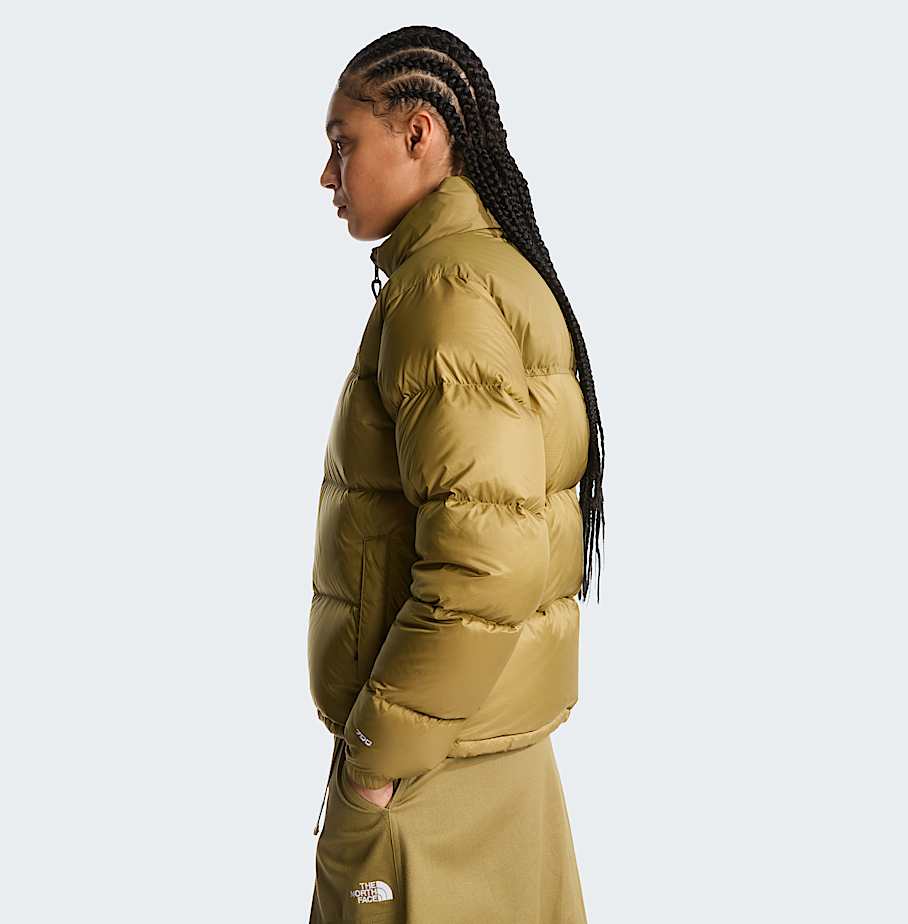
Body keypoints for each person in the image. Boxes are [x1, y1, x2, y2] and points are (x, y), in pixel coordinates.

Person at [308, 24, 606, 924]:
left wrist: (374, 760)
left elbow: (485, 563)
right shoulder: (491, 272)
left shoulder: (443, 292)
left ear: (418, 134)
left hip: (431, 780)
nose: (326, 175)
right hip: (490, 752)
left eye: (342, 144)